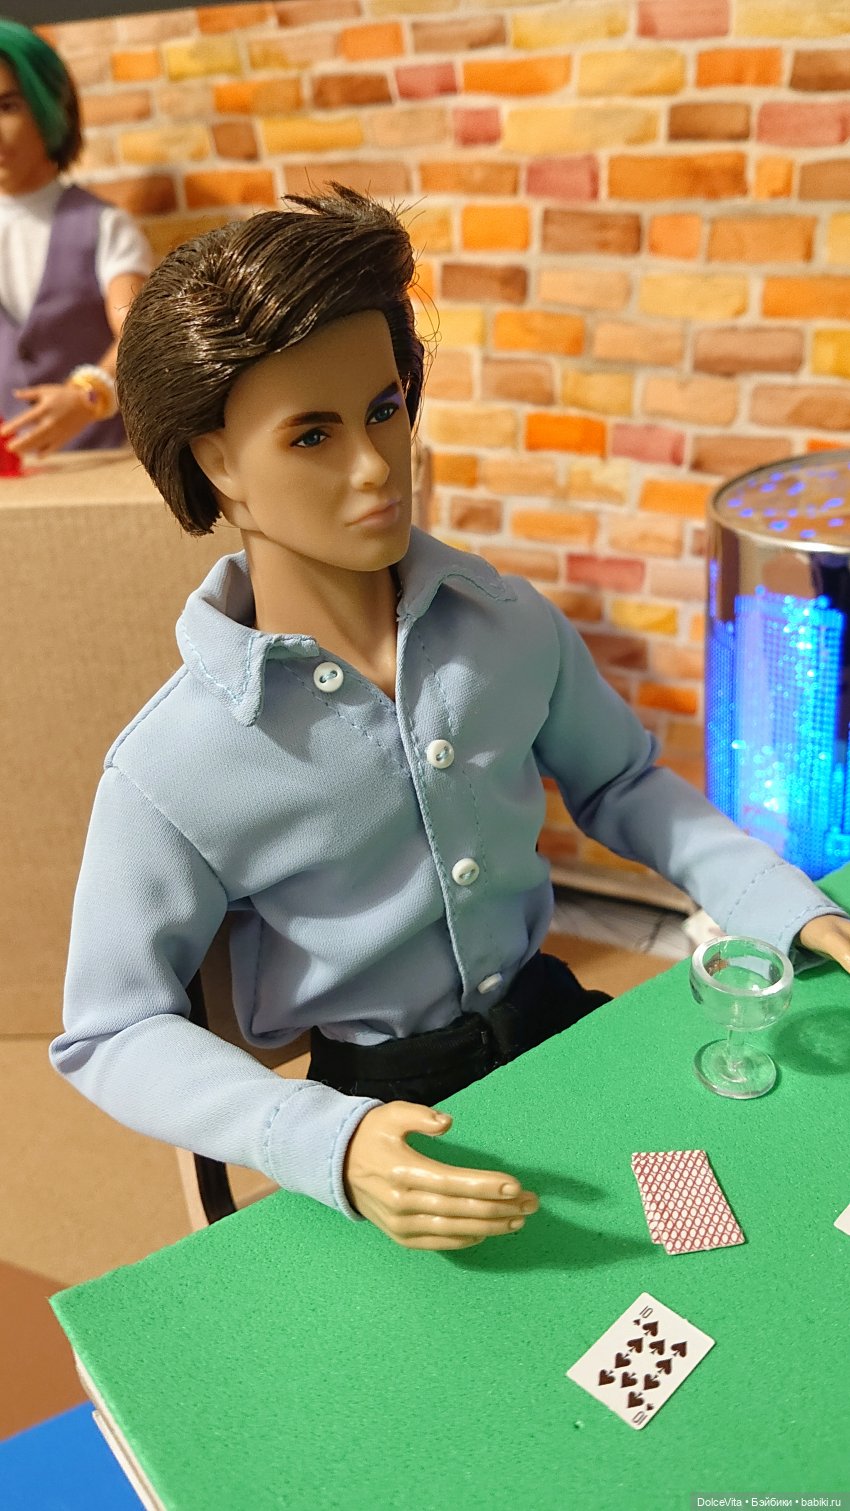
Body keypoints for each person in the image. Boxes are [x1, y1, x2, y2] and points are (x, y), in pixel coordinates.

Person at [50, 186, 850, 1254]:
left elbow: (620, 780)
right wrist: (319, 1137)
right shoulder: (174, 764)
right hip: (380, 1102)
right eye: (312, 434)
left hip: (559, 1027)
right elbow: (111, 1026)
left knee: (722, 1224)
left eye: (384, 409)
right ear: (218, 463)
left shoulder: (507, 625)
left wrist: (772, 897)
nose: (375, 466)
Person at [0, 19, 152, 457]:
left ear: (48, 106)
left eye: (7, 106)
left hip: (98, 462)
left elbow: (139, 333)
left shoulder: (101, 226)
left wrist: (90, 394)